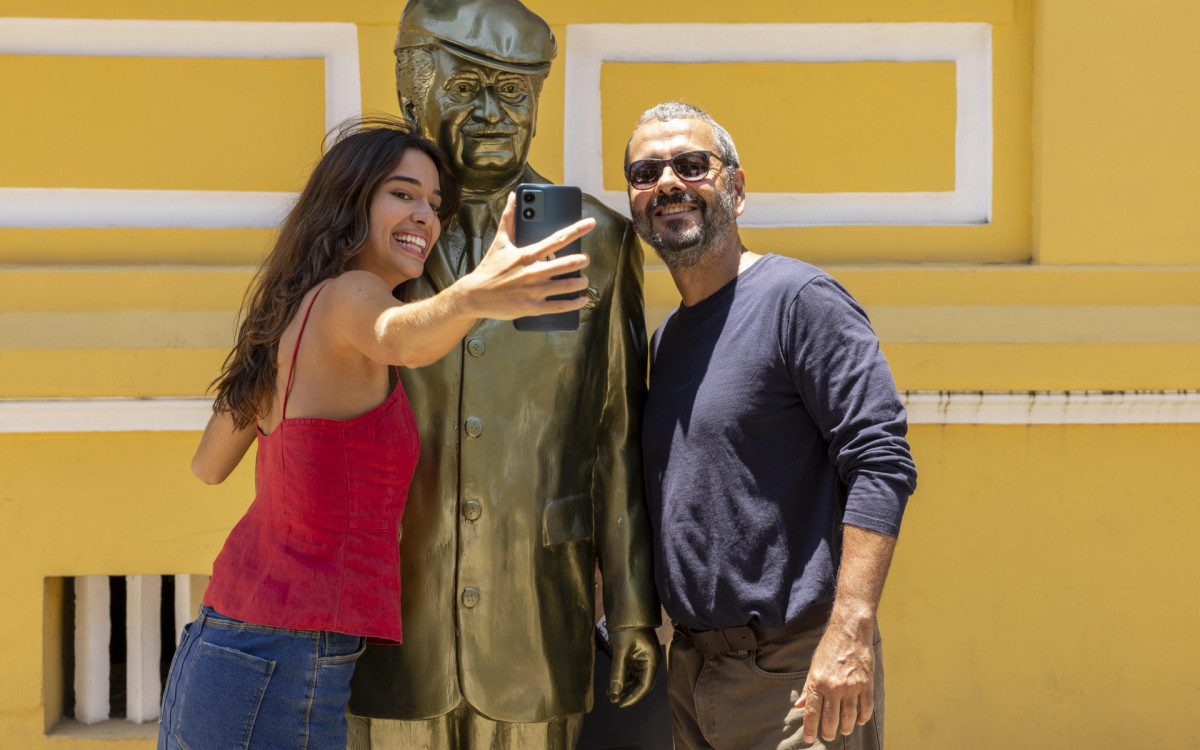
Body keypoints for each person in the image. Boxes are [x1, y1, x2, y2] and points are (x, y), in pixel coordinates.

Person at [156, 117, 595, 750]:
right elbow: (401, 338)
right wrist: (475, 294)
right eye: (403, 193)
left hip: (228, 646)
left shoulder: (294, 317)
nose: (426, 215)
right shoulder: (350, 296)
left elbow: (207, 464)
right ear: (350, 200)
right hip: (281, 661)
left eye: (434, 204)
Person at [346, 1, 662, 748]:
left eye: (514, 93)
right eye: (466, 91)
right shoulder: (358, 238)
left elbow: (616, 436)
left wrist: (633, 607)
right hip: (387, 622)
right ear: (410, 89)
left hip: (535, 615)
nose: (493, 113)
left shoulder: (593, 242)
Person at [626, 101, 919, 750]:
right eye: (646, 172)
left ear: (736, 187)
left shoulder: (799, 301)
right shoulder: (667, 341)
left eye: (691, 165)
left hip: (797, 677)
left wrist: (851, 630)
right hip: (693, 679)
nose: (668, 183)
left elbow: (881, 463)